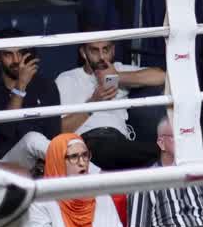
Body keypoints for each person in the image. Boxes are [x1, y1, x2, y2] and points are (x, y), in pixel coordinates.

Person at [55, 40, 166, 170]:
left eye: (106, 50)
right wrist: (93, 103)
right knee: (109, 149)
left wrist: (117, 77)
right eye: (94, 51)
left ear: (113, 50)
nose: (101, 57)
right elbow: (59, 130)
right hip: (88, 141)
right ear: (83, 53)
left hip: (120, 140)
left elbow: (161, 76)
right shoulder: (67, 79)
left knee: (165, 153)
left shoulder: (118, 69)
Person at [0, 28, 62, 170]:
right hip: (4, 163)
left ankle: (103, 184)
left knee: (72, 143)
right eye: (8, 55)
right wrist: (20, 87)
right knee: (32, 139)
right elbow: (4, 133)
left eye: (20, 53)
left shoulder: (46, 85)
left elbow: (54, 133)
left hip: (44, 160)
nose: (16, 60)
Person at [126, 117, 203, 227]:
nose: (185, 141)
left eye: (188, 136)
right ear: (161, 143)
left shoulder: (202, 173)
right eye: (178, 136)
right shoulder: (145, 181)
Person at [28, 133, 124, 227]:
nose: (82, 163)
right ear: (57, 162)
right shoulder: (39, 203)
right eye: (74, 157)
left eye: (85, 155)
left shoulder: (101, 195)